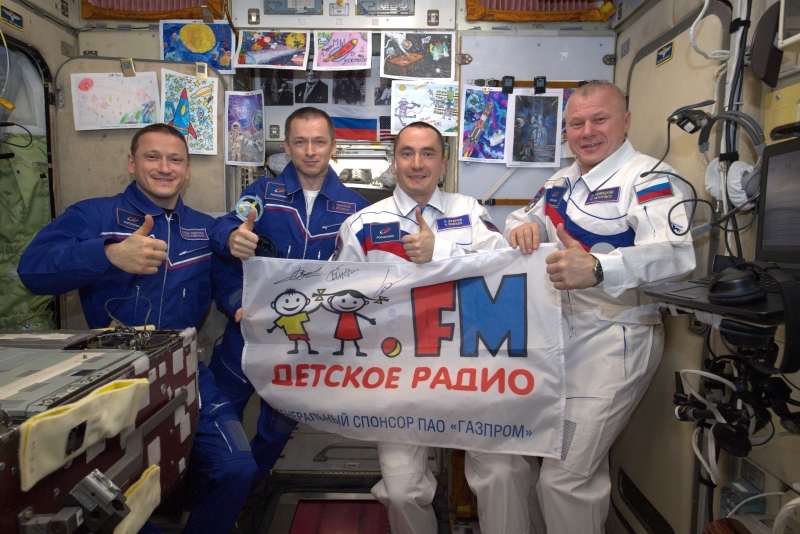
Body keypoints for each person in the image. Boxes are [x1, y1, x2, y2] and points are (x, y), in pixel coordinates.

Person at [17, 123, 260, 534]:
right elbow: (32, 270)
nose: (164, 167)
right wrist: (108, 254)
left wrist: (242, 305)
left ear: (187, 171)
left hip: (184, 369)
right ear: (131, 163)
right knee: (118, 496)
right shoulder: (95, 216)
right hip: (109, 375)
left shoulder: (204, 228)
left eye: (175, 159)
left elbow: (226, 286)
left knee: (237, 468)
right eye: (152, 157)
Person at [504, 81, 696, 533]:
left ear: (625, 122)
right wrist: (520, 229)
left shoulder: (649, 179)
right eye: (577, 123)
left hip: (616, 338)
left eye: (599, 119)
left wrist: (598, 267)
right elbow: (521, 218)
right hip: (558, 340)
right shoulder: (561, 181)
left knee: (565, 478)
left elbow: (677, 256)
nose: (587, 131)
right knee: (546, 464)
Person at [333, 121, 530, 534]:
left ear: (443, 164)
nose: (417, 163)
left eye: (428, 154)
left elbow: (505, 266)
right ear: (393, 163)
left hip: (471, 364)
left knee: (502, 472)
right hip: (397, 371)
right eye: (407, 153)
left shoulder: (469, 211)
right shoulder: (361, 224)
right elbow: (336, 291)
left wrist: (440, 250)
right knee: (402, 490)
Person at [209, 107, 369, 479]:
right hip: (248, 334)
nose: (310, 151)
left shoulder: (357, 209)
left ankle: (248, 494)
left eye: (319, 142)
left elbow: (374, 274)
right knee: (214, 423)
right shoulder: (262, 194)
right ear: (287, 146)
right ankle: (215, 496)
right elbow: (223, 229)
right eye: (300, 142)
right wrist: (231, 238)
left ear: (334, 146)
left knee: (275, 434)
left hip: (307, 346)